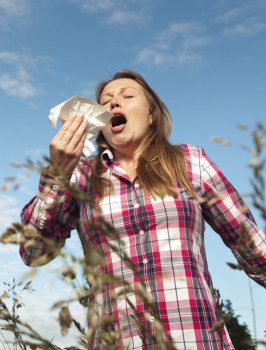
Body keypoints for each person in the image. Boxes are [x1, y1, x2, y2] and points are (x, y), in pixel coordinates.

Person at [20, 70, 266, 349]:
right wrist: (57, 174)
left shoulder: (190, 162)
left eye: (127, 95)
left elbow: (252, 245)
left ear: (151, 116)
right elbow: (33, 252)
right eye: (106, 100)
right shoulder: (81, 176)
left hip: (193, 338)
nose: (114, 103)